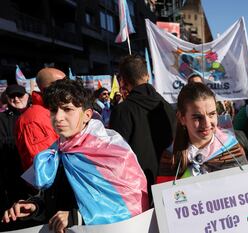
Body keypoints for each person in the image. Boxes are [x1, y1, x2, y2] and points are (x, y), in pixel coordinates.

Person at [2, 79, 148, 232]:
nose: (58, 117)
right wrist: (35, 206)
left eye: (67, 109)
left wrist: (76, 217)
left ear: (87, 115)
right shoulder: (57, 150)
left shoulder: (111, 150)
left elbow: (129, 205)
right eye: (53, 110)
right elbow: (55, 197)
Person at [110, 55, 176, 198]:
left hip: (135, 190)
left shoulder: (122, 111)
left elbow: (115, 155)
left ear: (123, 81)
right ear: (146, 76)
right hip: (168, 184)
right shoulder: (166, 107)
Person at [172, 83, 248, 178]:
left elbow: (247, 184)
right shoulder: (171, 157)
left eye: (212, 114)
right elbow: (164, 191)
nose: (207, 124)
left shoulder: (231, 149)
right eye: (197, 117)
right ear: (182, 118)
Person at [15, 68, 64, 171]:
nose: (70, 88)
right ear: (51, 87)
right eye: (64, 84)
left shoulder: (53, 110)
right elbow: (45, 167)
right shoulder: (34, 119)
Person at [0, 85, 30, 215]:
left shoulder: (37, 114)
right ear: (7, 98)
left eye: (20, 95)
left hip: (37, 175)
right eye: (12, 96)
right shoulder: (2, 119)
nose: (16, 99)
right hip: (13, 178)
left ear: (27, 96)